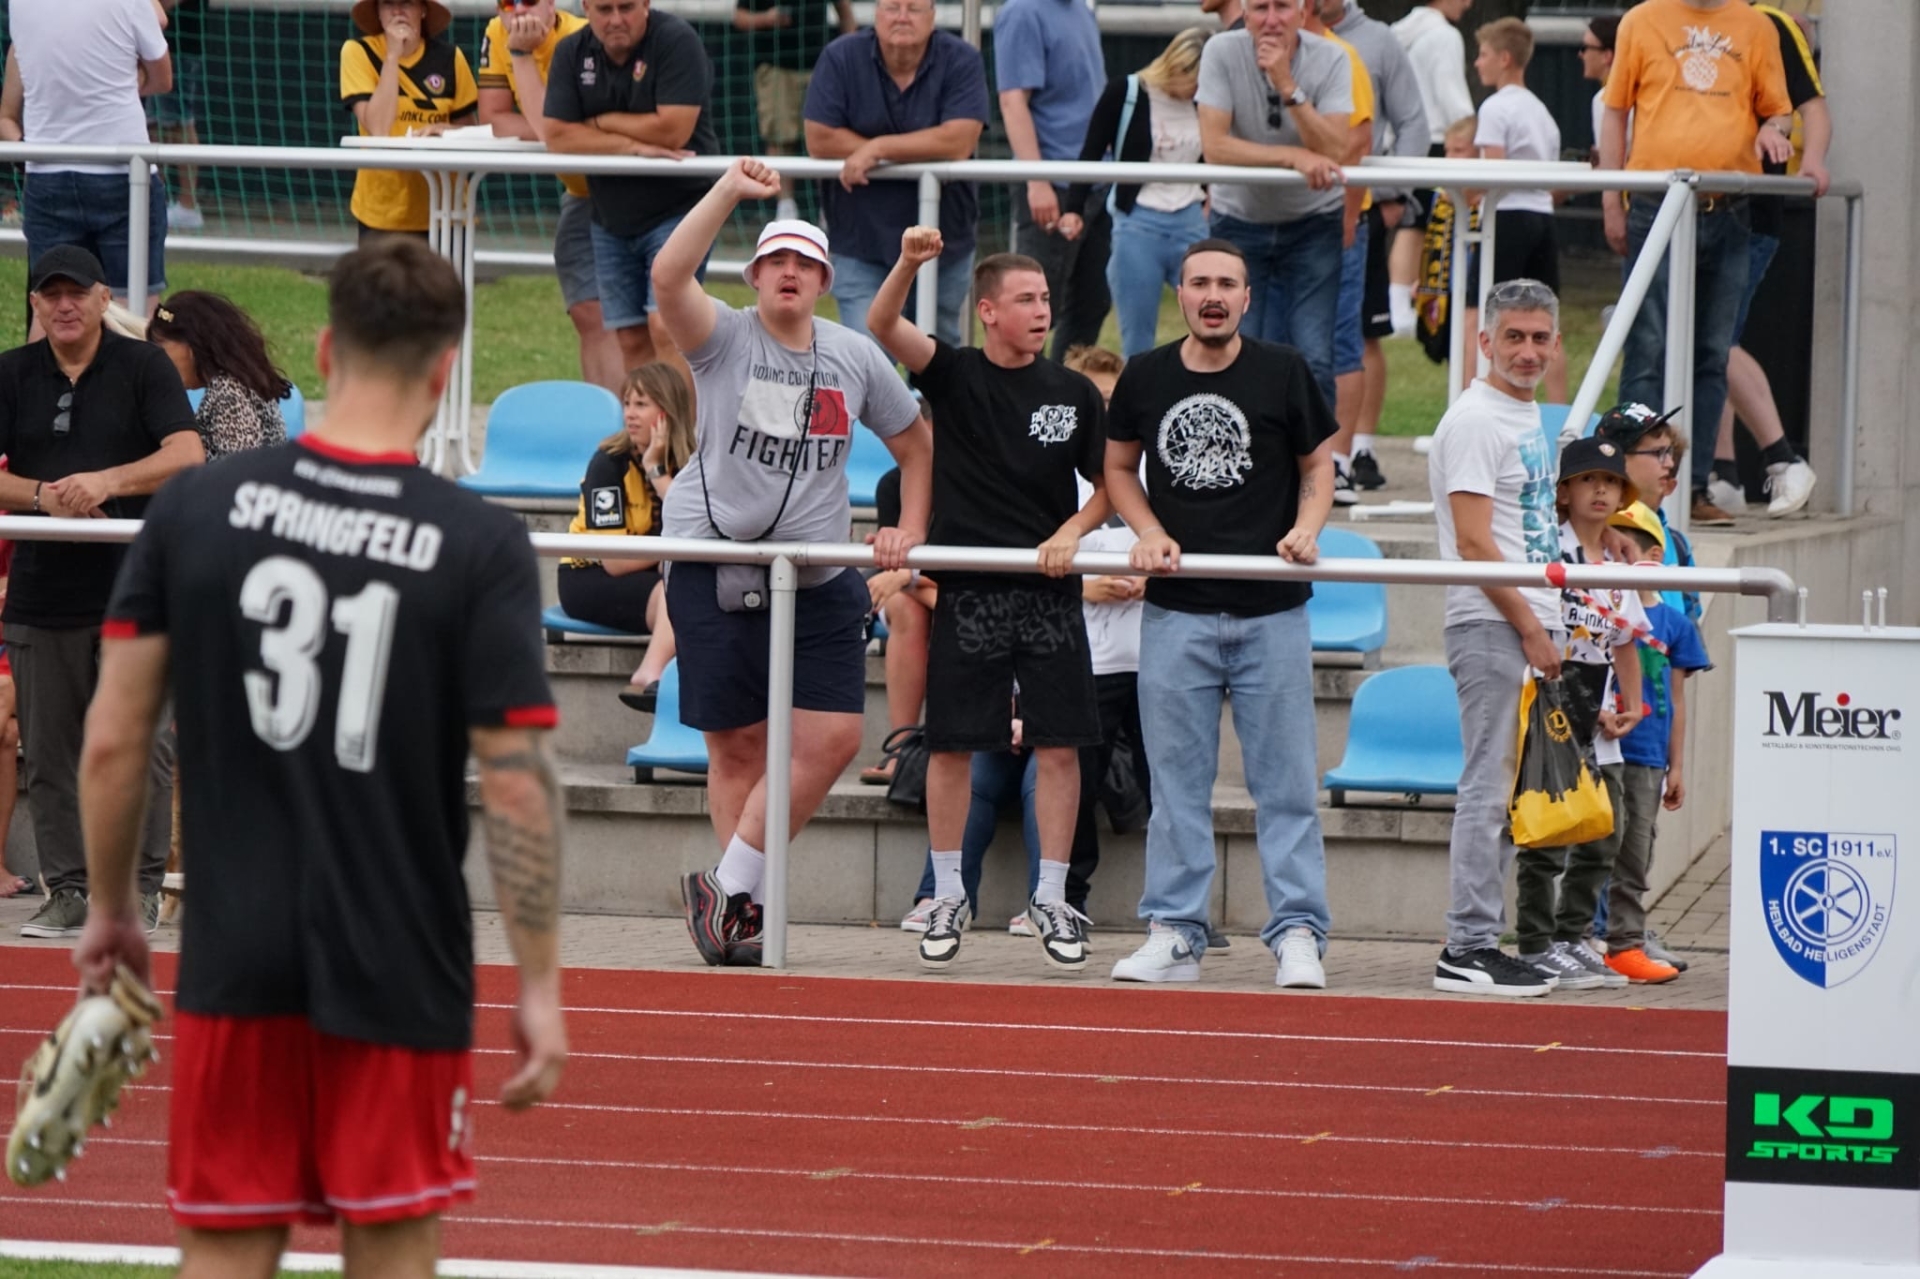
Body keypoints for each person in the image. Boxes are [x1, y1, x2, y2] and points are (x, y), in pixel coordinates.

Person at [72, 237, 567, 1274]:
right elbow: (518, 781)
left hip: (236, 952)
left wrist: (113, 911)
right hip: (401, 961)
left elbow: (114, 737)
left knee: (224, 1247)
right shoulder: (478, 542)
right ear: (445, 369)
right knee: (391, 1238)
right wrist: (536, 979)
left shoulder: (197, 507)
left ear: (329, 352)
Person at [653, 161, 931, 968]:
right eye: (774, 259)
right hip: (712, 559)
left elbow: (917, 444)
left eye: (804, 262)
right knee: (738, 746)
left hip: (815, 572)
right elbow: (668, 276)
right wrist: (728, 192)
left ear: (823, 280)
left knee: (835, 735)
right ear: (753, 275)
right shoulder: (722, 337)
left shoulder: (853, 355)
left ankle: (726, 887)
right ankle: (746, 917)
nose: (788, 272)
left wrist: (907, 531)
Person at [868, 230, 1110, 972]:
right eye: (1026, 300)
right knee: (952, 745)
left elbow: (1111, 487)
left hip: (1048, 593)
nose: (1042, 312)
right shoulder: (954, 373)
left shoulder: (1074, 392)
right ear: (988, 311)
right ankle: (947, 894)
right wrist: (909, 261)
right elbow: (881, 324)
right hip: (968, 592)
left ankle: (1052, 897)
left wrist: (1071, 531)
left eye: (1046, 299)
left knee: (1060, 743)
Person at [1105, 238, 1337, 990]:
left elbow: (1318, 465)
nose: (1213, 295)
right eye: (1200, 282)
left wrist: (1308, 529)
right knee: (1176, 788)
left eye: (1227, 284)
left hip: (1273, 611)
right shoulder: (1145, 374)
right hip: (1177, 611)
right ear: (1179, 293)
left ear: (1245, 297)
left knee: (1287, 787)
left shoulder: (1284, 369)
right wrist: (1147, 530)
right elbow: (1117, 466)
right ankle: (1176, 931)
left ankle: (1297, 931)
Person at [1, 246, 203, 941]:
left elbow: (186, 453)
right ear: (34, 304)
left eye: (76, 292)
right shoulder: (12, 372)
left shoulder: (143, 366)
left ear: (102, 298)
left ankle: (139, 889)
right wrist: (42, 496)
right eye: (50, 294)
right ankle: (68, 890)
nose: (63, 305)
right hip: (40, 594)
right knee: (49, 755)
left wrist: (105, 482)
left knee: (143, 746)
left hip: (134, 590)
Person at [1600, 0, 1791, 527]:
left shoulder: (1755, 26)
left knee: (1712, 352)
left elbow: (1778, 107)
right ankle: (1630, 486)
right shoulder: (1642, 20)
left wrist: (1774, 129)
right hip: (1656, 204)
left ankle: (1695, 486)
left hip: (1728, 207)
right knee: (1647, 347)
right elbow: (1615, 110)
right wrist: (1611, 198)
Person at [1426, 278, 1564, 998]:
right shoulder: (1478, 420)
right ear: (1484, 342)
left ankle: (1487, 938)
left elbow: (1527, 523)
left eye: (1540, 338)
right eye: (1514, 337)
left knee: (1510, 789)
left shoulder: (1523, 414)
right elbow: (1475, 544)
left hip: (1524, 620)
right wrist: (1531, 627)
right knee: (1489, 785)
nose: (1528, 351)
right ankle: (1468, 945)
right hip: (1495, 623)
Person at [1513, 437, 1646, 992]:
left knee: (1605, 833)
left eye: (1611, 482)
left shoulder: (1619, 563)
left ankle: (1572, 937)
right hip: (1555, 710)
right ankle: (1535, 943)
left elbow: (1626, 642)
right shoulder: (1549, 549)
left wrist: (1631, 706)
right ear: (1563, 492)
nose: (1600, 490)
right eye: (1589, 479)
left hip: (1603, 717)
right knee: (1548, 835)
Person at [544, 0, 721, 375]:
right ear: (585, 8)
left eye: (626, 7)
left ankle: (680, 417)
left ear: (646, 4)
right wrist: (633, 147)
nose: (615, 19)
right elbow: (557, 135)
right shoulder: (571, 51)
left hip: (681, 209)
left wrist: (599, 122)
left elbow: (672, 130)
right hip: (609, 216)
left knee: (667, 327)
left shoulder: (676, 40)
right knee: (630, 337)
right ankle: (645, 417)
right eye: (604, 9)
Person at [802, 0, 988, 348]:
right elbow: (819, 137)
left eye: (914, 8)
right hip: (860, 241)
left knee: (937, 358)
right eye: (892, 7)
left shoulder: (962, 58)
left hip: (942, 243)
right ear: (876, 14)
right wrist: (914, 148)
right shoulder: (840, 56)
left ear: (932, 16)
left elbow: (959, 140)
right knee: (865, 356)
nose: (902, 17)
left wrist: (878, 149)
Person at [1196, 0, 1351, 415]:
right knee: (1233, 347)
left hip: (1314, 222)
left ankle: (1316, 453)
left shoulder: (1332, 57)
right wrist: (1292, 157)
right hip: (1238, 220)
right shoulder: (1221, 51)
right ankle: (1241, 447)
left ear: (1303, 13)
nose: (1270, 19)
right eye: (1260, 7)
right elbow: (1215, 146)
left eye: (1282, 6)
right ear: (1244, 14)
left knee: (1314, 355)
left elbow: (1336, 149)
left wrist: (1289, 87)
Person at [1705, 2, 1828, 520]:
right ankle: (1722, 472)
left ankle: (1782, 458)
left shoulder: (1769, 23)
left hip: (1750, 211)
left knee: (1715, 340)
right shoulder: (1674, 21)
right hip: (1697, 206)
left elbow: (1812, 106)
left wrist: (1812, 161)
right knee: (1708, 343)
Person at [476, 0, 624, 391]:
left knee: (641, 322)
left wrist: (522, 57)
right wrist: (557, 130)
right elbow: (494, 119)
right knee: (588, 311)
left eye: (530, 1)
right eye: (508, 2)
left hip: (628, 190)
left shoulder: (581, 36)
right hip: (580, 191)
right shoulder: (496, 32)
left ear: (552, 5)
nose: (519, 11)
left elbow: (554, 133)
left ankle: (650, 421)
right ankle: (608, 421)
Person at [1602, 502, 1709, 982]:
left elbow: (1677, 700)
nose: (1615, 556)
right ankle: (1586, 936)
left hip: (1647, 755)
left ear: (1652, 555)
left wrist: (1676, 766)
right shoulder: (1599, 611)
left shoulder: (1674, 625)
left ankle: (1625, 942)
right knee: (1593, 847)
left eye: (1626, 546)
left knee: (1635, 851)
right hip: (1600, 747)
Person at [1060, 29, 1213, 360]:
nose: (1199, 89)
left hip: (1191, 220)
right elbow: (1091, 151)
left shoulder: (1207, 102)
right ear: (1178, 68)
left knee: (1211, 325)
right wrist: (1073, 208)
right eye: (1196, 81)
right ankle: (1139, 392)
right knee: (1138, 337)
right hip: (1138, 222)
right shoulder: (1127, 92)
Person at [1062, 344, 1149, 919]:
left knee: (1169, 785)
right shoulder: (1050, 473)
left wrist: (1154, 580)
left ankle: (1182, 909)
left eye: (1113, 398)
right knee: (1077, 784)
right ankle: (1067, 900)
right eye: (1091, 397)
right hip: (1085, 658)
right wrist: (1083, 588)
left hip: (1153, 654)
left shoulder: (1154, 470)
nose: (1103, 408)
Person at [11, 0, 173, 308]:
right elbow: (163, 76)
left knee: (52, 310)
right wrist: (118, 84)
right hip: (120, 172)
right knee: (135, 309)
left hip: (48, 172)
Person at [1328, 0, 1429, 493]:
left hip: (1360, 204)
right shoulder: (1278, 34)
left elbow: (1412, 122)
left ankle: (1359, 447)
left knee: (1362, 331)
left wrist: (1393, 193)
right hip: (1295, 205)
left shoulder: (1378, 40)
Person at [556, 362, 693, 711]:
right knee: (678, 586)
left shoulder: (691, 464)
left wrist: (656, 471)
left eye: (641, 404)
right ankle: (649, 674)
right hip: (588, 577)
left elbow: (697, 526)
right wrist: (674, 553)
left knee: (695, 586)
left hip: (653, 575)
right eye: (627, 403)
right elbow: (615, 562)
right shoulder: (608, 463)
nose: (629, 414)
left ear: (666, 411)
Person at [995, 0, 1112, 360]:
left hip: (1095, 181)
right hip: (1053, 185)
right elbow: (1012, 101)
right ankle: (1023, 389)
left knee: (1093, 301)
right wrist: (1037, 180)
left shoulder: (1082, 9)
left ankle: (1064, 384)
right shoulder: (1022, 12)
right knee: (1033, 307)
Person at [1300, 3, 1374, 506]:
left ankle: (1340, 460)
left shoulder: (1342, 56)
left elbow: (1358, 140)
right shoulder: (1252, 54)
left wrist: (1347, 215)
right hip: (1284, 220)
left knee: (1339, 341)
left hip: (1333, 219)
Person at [1472, 17, 1567, 403]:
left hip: (1506, 217)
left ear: (1505, 59)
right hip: (1542, 216)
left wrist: (1463, 191)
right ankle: (1561, 413)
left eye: (1483, 54)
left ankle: (1478, 400)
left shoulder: (1496, 107)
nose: (1478, 63)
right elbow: (1554, 181)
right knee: (1546, 316)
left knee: (1483, 312)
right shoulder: (1542, 111)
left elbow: (1492, 172)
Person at [340, 0, 477, 242]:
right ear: (378, 13)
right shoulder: (358, 52)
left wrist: (445, 131)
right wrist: (392, 56)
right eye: (388, 3)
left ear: (423, 10)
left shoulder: (451, 58)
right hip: (382, 211)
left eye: (407, 2)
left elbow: (471, 133)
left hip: (446, 210)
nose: (397, 11)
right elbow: (379, 129)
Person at [1386, 0, 1473, 332]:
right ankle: (1400, 309)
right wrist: (1468, 130)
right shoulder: (1444, 36)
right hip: (1437, 138)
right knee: (1417, 223)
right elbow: (1450, 92)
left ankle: (1401, 304)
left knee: (1415, 221)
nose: (1469, 3)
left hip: (1405, 138)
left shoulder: (1402, 33)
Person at [735, 0, 854, 223]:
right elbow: (739, 17)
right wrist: (766, 18)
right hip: (775, 66)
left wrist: (852, 53)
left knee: (825, 139)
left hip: (820, 66)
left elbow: (844, 9)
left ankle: (827, 209)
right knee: (779, 137)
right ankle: (785, 207)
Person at [859, 455, 938, 786]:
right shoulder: (894, 484)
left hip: (963, 588)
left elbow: (976, 571)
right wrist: (909, 578)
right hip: (922, 591)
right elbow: (893, 571)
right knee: (905, 607)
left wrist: (909, 576)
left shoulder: (982, 477)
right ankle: (902, 750)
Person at [147, 291, 291, 459]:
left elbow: (240, 467)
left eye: (162, 351)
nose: (159, 364)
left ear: (192, 344)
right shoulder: (237, 384)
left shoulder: (229, 394)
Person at [145, 0, 205, 232]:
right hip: (158, 47)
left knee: (179, 122)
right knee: (155, 124)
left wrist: (147, 11)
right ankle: (155, 201)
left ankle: (188, 205)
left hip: (178, 48)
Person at [1579, 16, 1621, 165]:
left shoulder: (1604, 99)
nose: (1580, 54)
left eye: (1585, 48)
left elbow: (1609, 168)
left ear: (1607, 56)